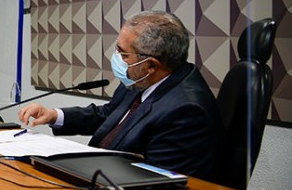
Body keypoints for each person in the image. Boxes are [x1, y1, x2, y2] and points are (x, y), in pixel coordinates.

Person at [18, 10, 223, 180]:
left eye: (123, 54)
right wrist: (54, 115)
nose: (118, 59)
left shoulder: (186, 112)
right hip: (99, 171)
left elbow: (155, 182)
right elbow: (107, 115)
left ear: (151, 65)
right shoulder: (140, 80)